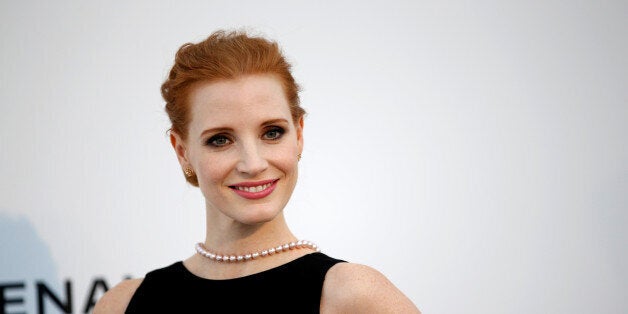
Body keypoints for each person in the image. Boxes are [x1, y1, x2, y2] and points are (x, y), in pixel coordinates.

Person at [95, 30, 420, 313]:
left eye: (272, 132)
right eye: (220, 139)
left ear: (299, 134)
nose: (253, 164)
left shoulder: (352, 295)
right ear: (182, 152)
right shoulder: (122, 304)